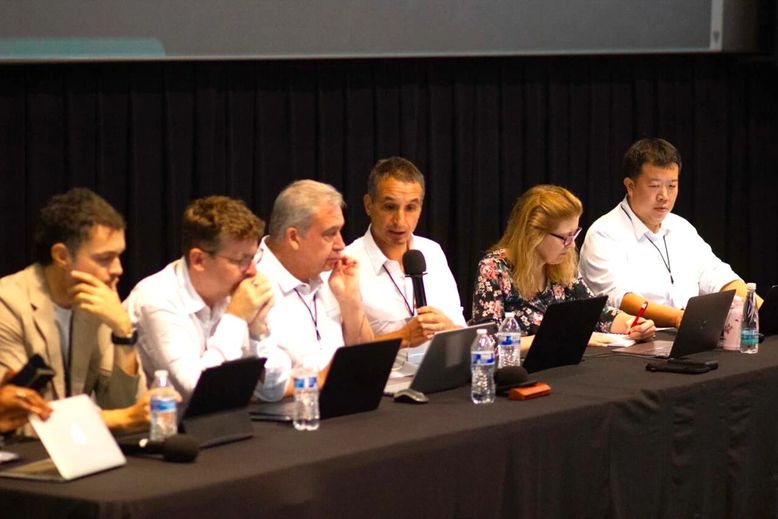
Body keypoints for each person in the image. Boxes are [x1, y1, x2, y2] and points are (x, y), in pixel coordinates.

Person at [0, 188, 149, 433]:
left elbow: (123, 404)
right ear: (61, 256)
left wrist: (123, 332)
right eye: (105, 258)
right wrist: (122, 419)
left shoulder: (98, 302)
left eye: (119, 257)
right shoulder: (7, 304)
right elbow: (18, 419)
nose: (118, 269)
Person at [579, 138, 757, 328]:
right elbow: (619, 298)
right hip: (637, 339)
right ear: (630, 186)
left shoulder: (681, 228)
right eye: (654, 186)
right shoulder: (604, 234)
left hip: (690, 331)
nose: (664, 196)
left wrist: (757, 308)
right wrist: (679, 318)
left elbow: (718, 276)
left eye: (672, 186)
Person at [125, 196, 275, 400]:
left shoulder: (230, 292)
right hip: (159, 418)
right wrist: (236, 318)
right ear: (198, 259)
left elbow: (272, 391)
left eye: (253, 257)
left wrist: (257, 334)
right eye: (241, 260)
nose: (252, 271)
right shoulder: (156, 298)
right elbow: (195, 390)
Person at [471, 184, 655, 349]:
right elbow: (488, 342)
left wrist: (632, 324)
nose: (572, 245)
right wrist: (567, 337)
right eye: (565, 237)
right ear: (534, 234)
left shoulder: (561, 265)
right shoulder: (494, 269)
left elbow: (598, 315)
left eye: (574, 235)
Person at [255, 180, 374, 401]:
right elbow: (266, 388)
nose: (341, 244)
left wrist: (351, 301)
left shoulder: (332, 274)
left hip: (342, 404)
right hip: (287, 414)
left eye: (340, 231)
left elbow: (368, 361)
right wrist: (328, 377)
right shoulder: (254, 287)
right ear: (293, 237)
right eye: (330, 234)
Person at [344, 157, 466, 366]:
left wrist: (449, 328)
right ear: (368, 205)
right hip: (383, 380)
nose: (400, 221)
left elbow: (462, 331)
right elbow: (340, 355)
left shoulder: (432, 251)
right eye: (389, 207)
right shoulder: (347, 265)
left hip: (441, 375)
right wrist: (403, 337)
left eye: (410, 208)